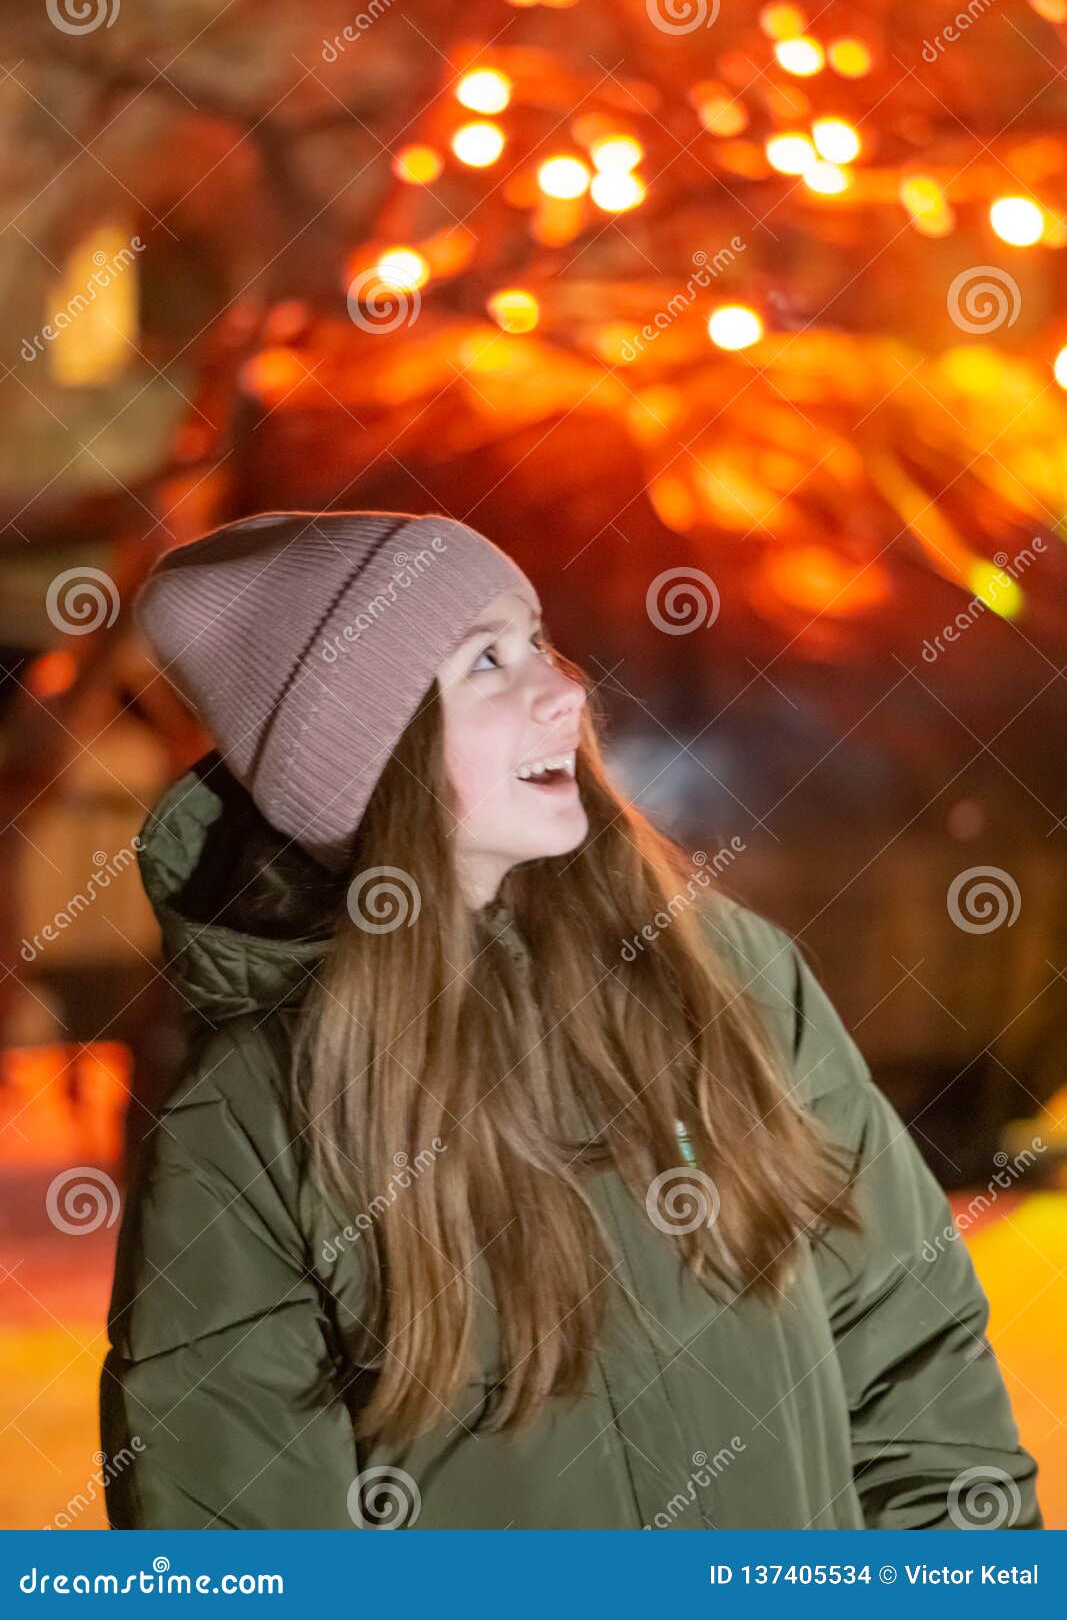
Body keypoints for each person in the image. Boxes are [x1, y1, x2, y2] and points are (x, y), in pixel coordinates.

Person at [99, 509, 1042, 1531]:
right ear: (373, 757)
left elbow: (910, 1358)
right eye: (486, 662)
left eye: (536, 638)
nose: (562, 688)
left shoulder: (724, 976)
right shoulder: (255, 1111)